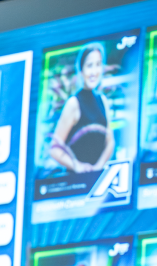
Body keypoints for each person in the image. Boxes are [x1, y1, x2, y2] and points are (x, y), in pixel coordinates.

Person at [49, 43, 114, 173]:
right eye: (90, 65)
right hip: (76, 183)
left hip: (97, 178)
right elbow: (55, 149)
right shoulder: (74, 103)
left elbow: (110, 142)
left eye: (98, 64)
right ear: (81, 70)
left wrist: (97, 168)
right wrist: (76, 166)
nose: (94, 72)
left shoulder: (103, 101)